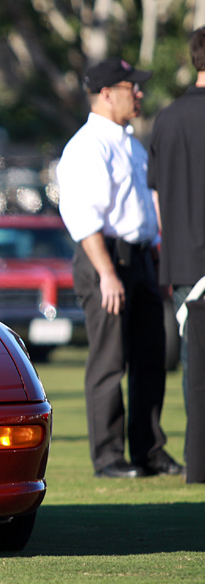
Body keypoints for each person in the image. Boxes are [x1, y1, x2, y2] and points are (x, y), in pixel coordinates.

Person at [56, 58, 183, 478]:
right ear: (108, 93)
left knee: (152, 356)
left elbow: (146, 206)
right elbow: (83, 216)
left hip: (141, 258)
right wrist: (107, 272)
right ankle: (109, 456)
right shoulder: (88, 146)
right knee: (110, 360)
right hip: (105, 260)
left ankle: (149, 451)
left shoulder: (129, 143)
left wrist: (158, 255)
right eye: (133, 87)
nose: (140, 93)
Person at [148, 27, 205, 407]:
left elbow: (156, 198)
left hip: (183, 261)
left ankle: (196, 452)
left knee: (193, 360)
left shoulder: (165, 119)